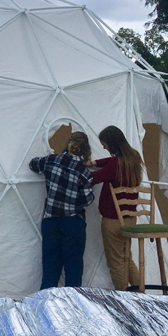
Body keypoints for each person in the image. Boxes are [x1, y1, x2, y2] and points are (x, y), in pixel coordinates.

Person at [29, 132, 95, 290]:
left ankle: (45, 308)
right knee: (73, 271)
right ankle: (71, 310)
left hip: (50, 221)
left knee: (50, 269)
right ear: (85, 149)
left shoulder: (51, 160)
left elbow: (33, 164)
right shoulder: (83, 171)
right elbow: (87, 200)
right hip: (72, 222)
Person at [87, 125, 144, 291]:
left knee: (116, 263)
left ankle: (123, 296)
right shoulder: (134, 157)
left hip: (113, 220)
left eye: (104, 143)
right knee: (128, 258)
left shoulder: (114, 164)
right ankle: (141, 293)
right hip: (130, 219)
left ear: (111, 143)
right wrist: (95, 162)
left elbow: (94, 178)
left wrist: (77, 169)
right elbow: (110, 162)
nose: (103, 147)